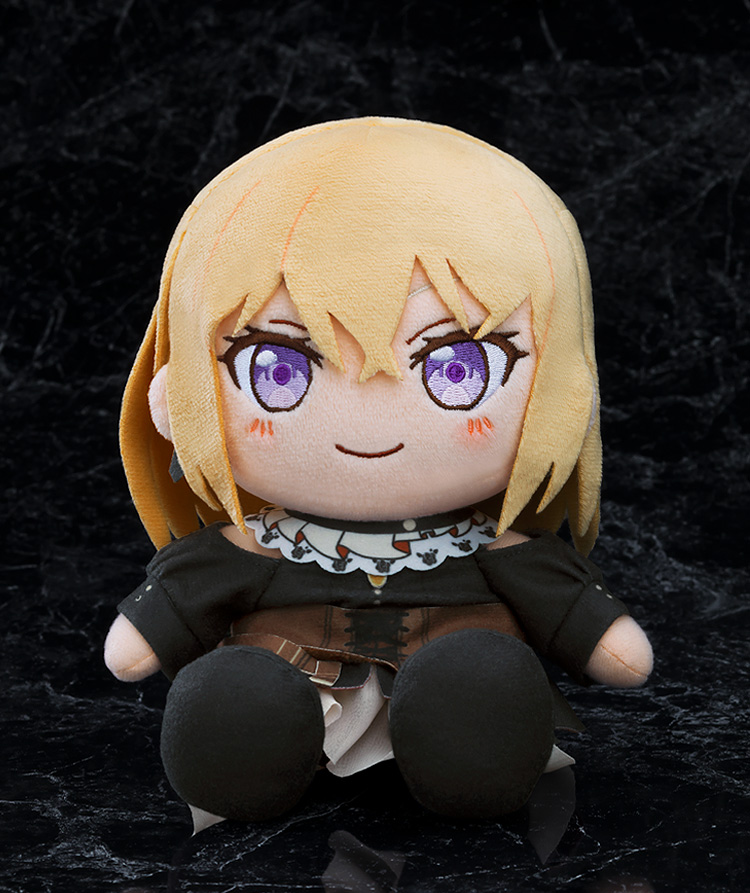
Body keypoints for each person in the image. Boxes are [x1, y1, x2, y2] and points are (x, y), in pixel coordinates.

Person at [104, 117, 653, 829]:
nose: (369, 424)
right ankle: (242, 735)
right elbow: (145, 638)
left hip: (462, 691)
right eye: (276, 368)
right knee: (242, 697)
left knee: (479, 682)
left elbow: (602, 639)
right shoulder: (257, 546)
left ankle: (473, 735)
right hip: (290, 683)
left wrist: (601, 638)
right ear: (172, 398)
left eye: (458, 368)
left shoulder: (492, 548)